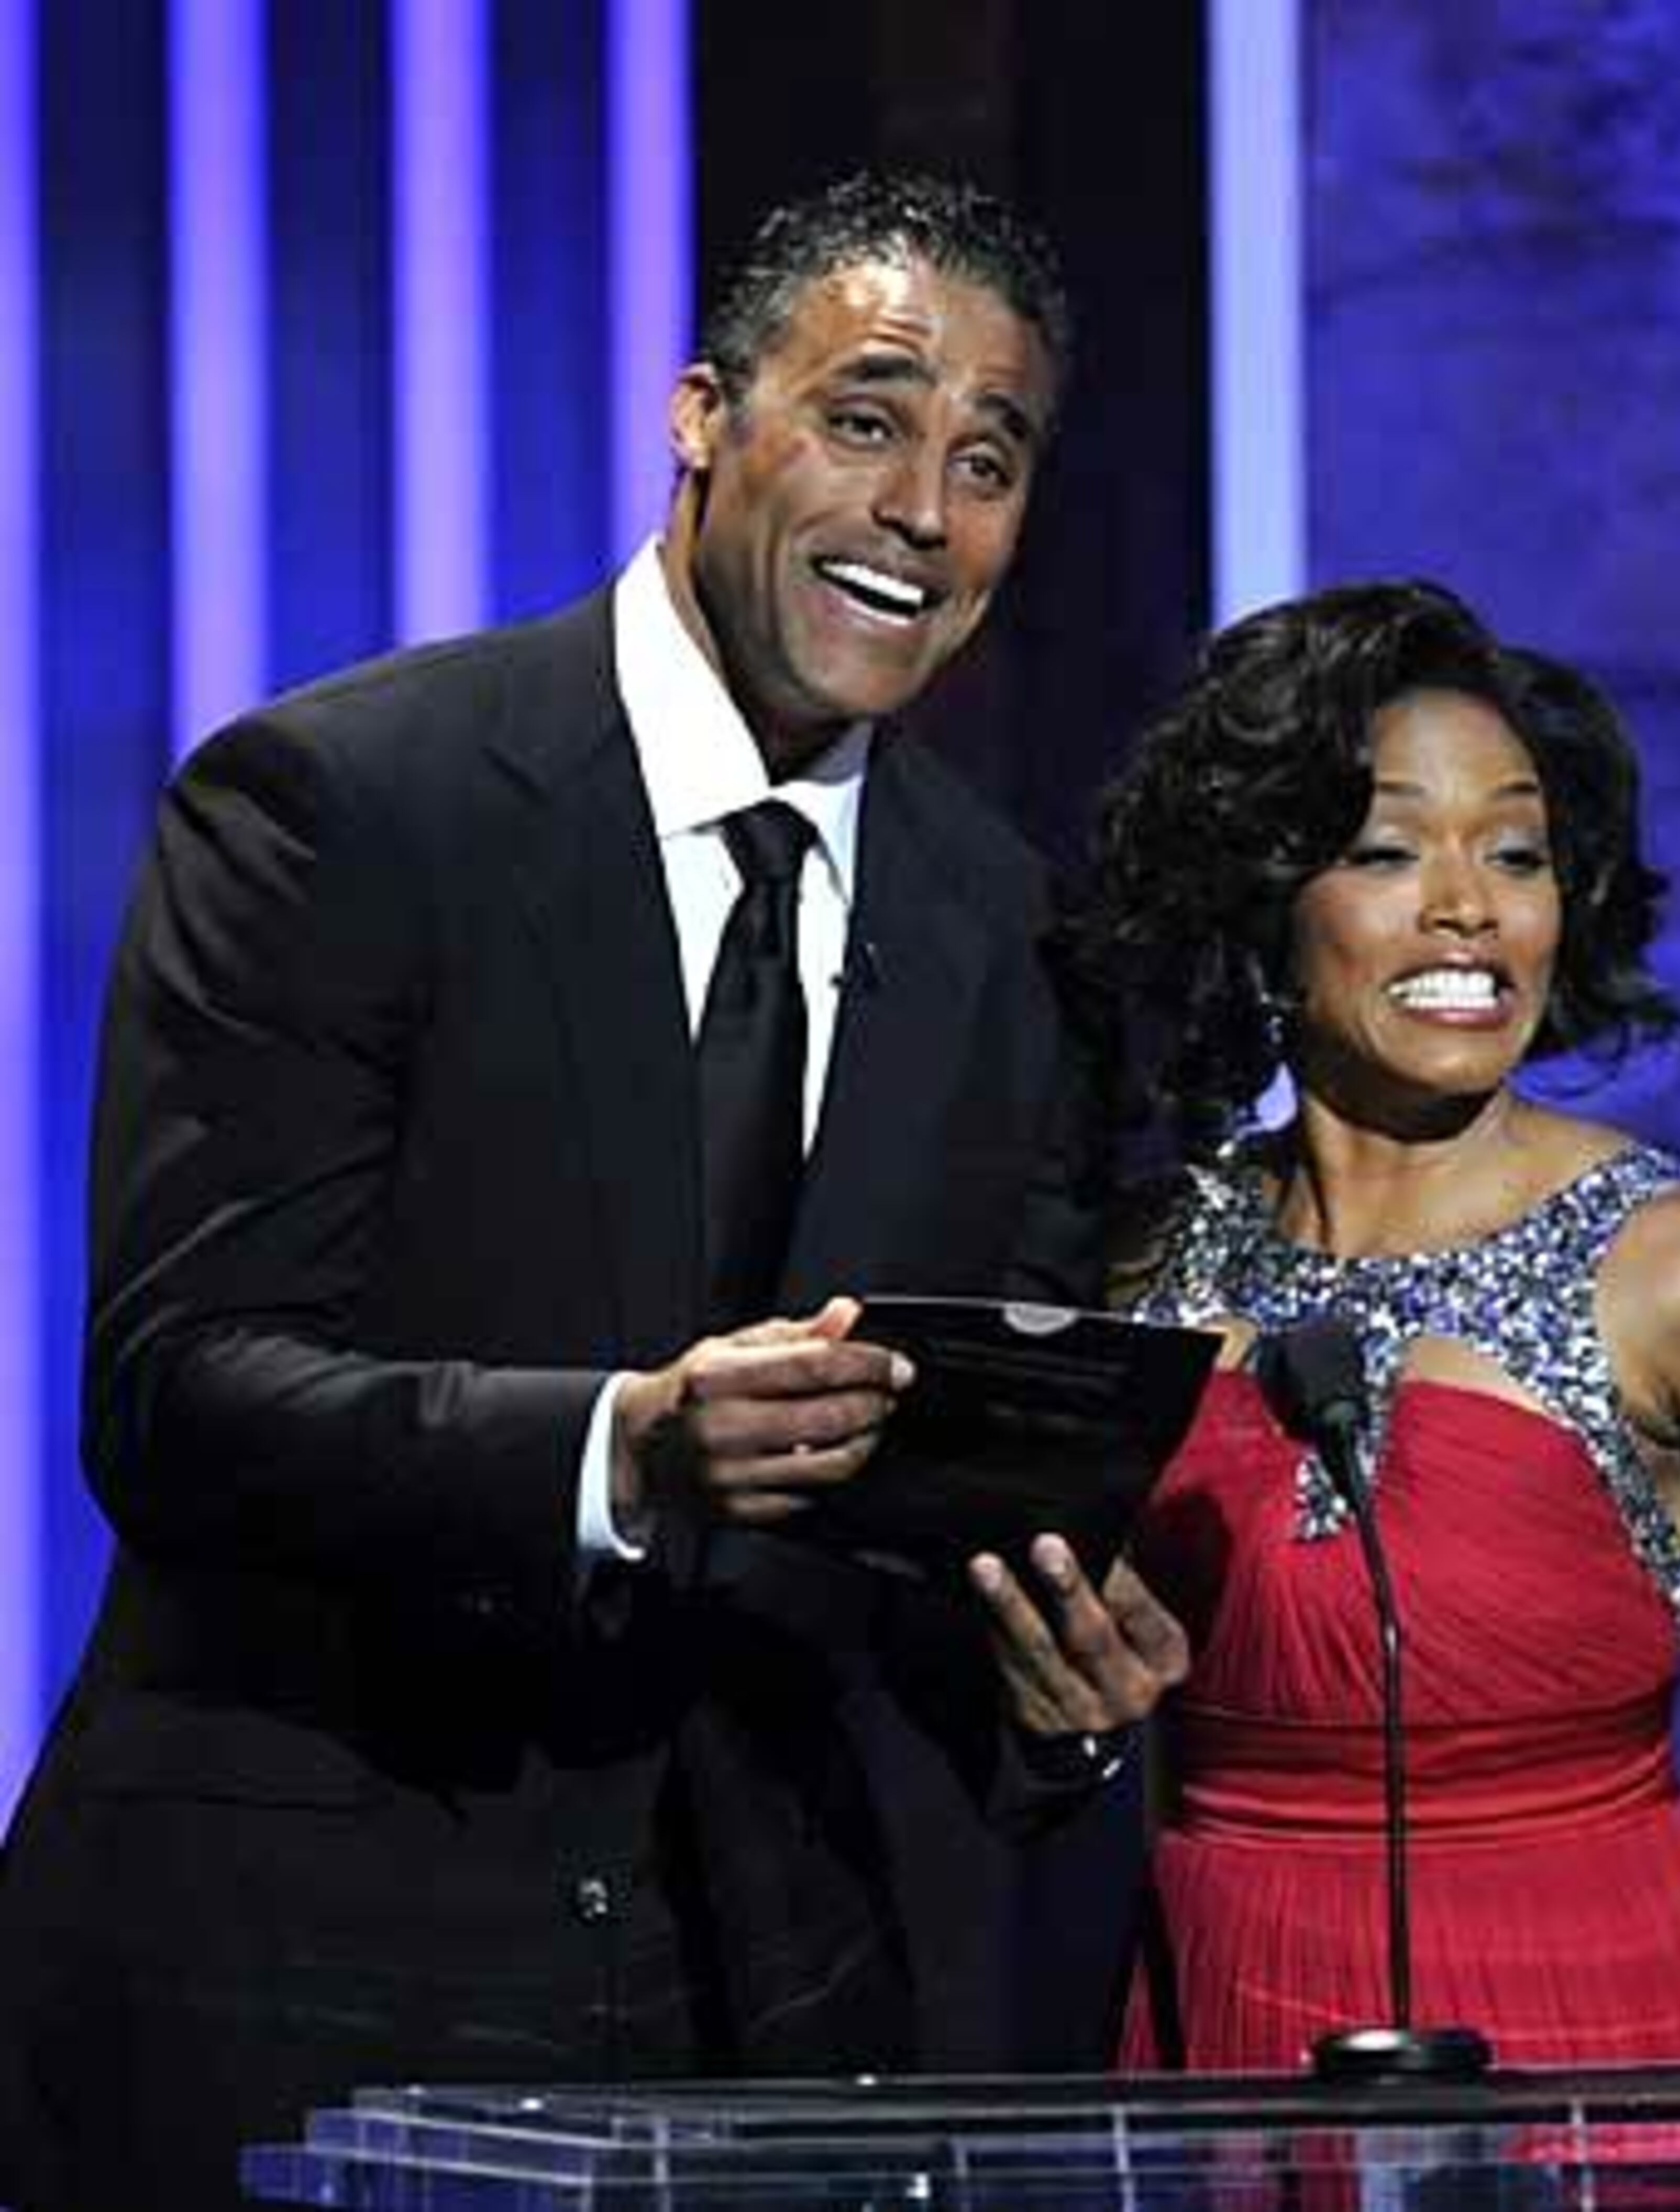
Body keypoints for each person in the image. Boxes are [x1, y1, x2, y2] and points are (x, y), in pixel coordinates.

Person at [0, 171, 1188, 2211]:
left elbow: (932, 1545)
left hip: (770, 2020)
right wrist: (614, 1451)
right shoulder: (348, 804)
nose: (924, 507)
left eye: (988, 461)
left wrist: (1053, 1695)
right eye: (870, 416)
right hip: (301, 1977)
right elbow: (176, 1392)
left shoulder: (1006, 935)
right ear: (703, 412)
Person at [1073, 578, 1680, 2071]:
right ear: (1258, 899)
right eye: (1389, 849)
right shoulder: (1137, 1269)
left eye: (1518, 851)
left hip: (1600, 2054)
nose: (1472, 905)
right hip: (1219, 2040)